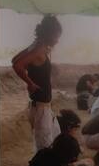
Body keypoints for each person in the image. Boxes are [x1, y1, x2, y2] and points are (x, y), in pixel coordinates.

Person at [12, 15, 62, 151]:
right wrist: (30, 83)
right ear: (49, 34)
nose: (57, 40)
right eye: (56, 36)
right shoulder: (39, 49)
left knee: (54, 138)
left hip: (43, 106)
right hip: (41, 108)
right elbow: (17, 65)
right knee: (44, 147)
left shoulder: (38, 47)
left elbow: (14, 59)